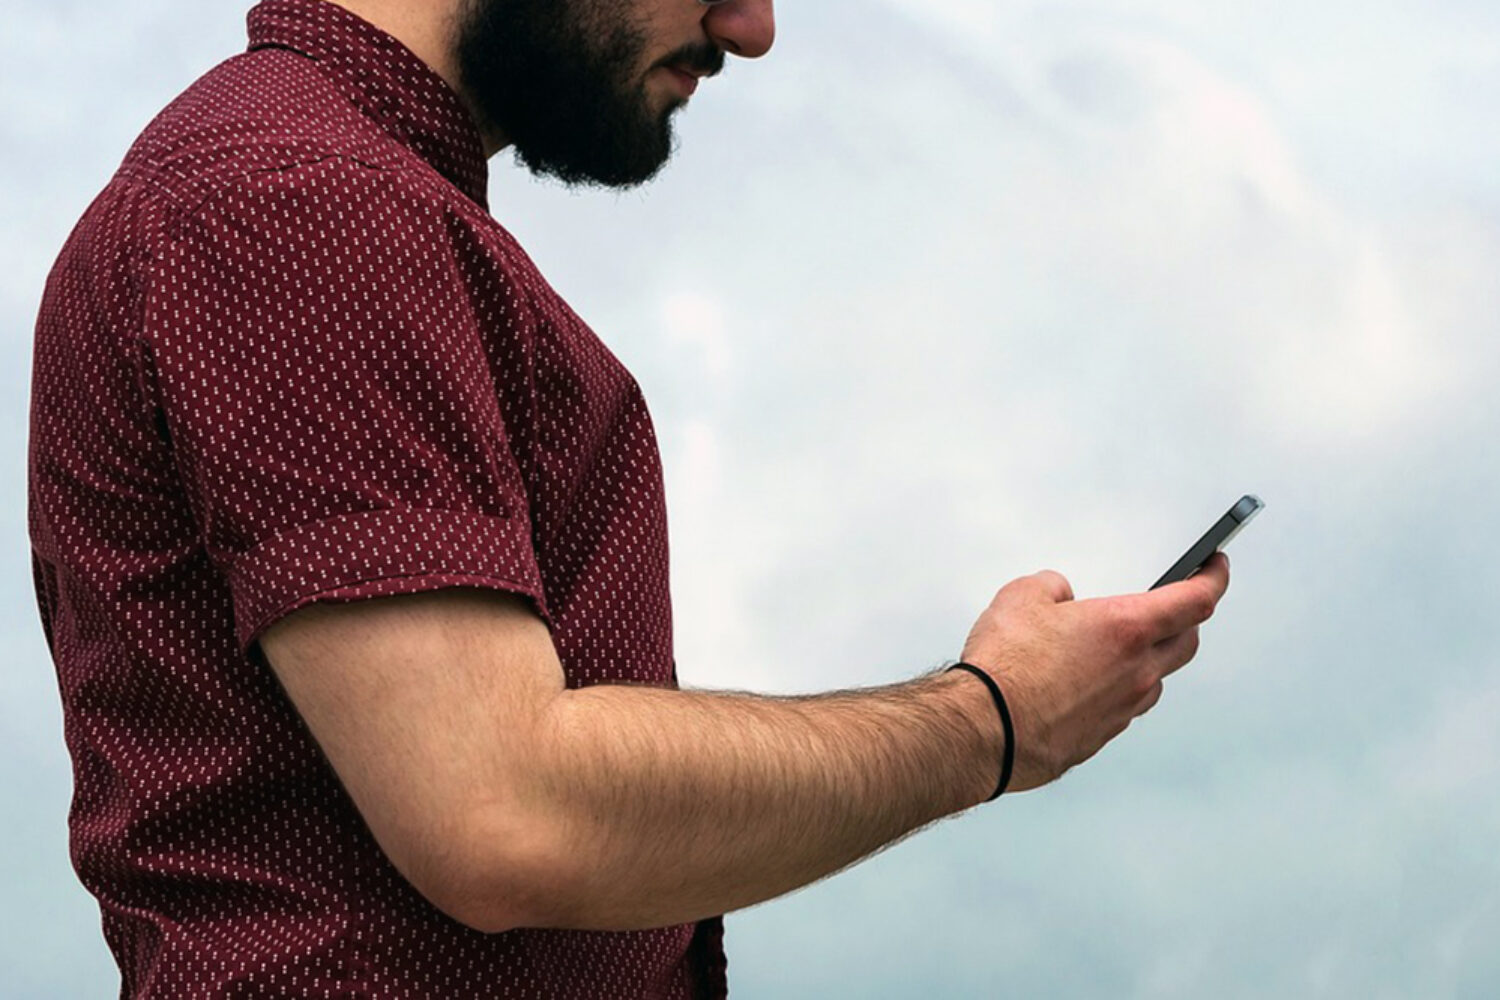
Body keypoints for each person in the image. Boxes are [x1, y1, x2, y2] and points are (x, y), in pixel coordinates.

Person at [26, 0, 1231, 996]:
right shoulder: (298, 198)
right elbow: (502, 811)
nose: (750, 28)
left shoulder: (323, 192)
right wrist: (991, 720)